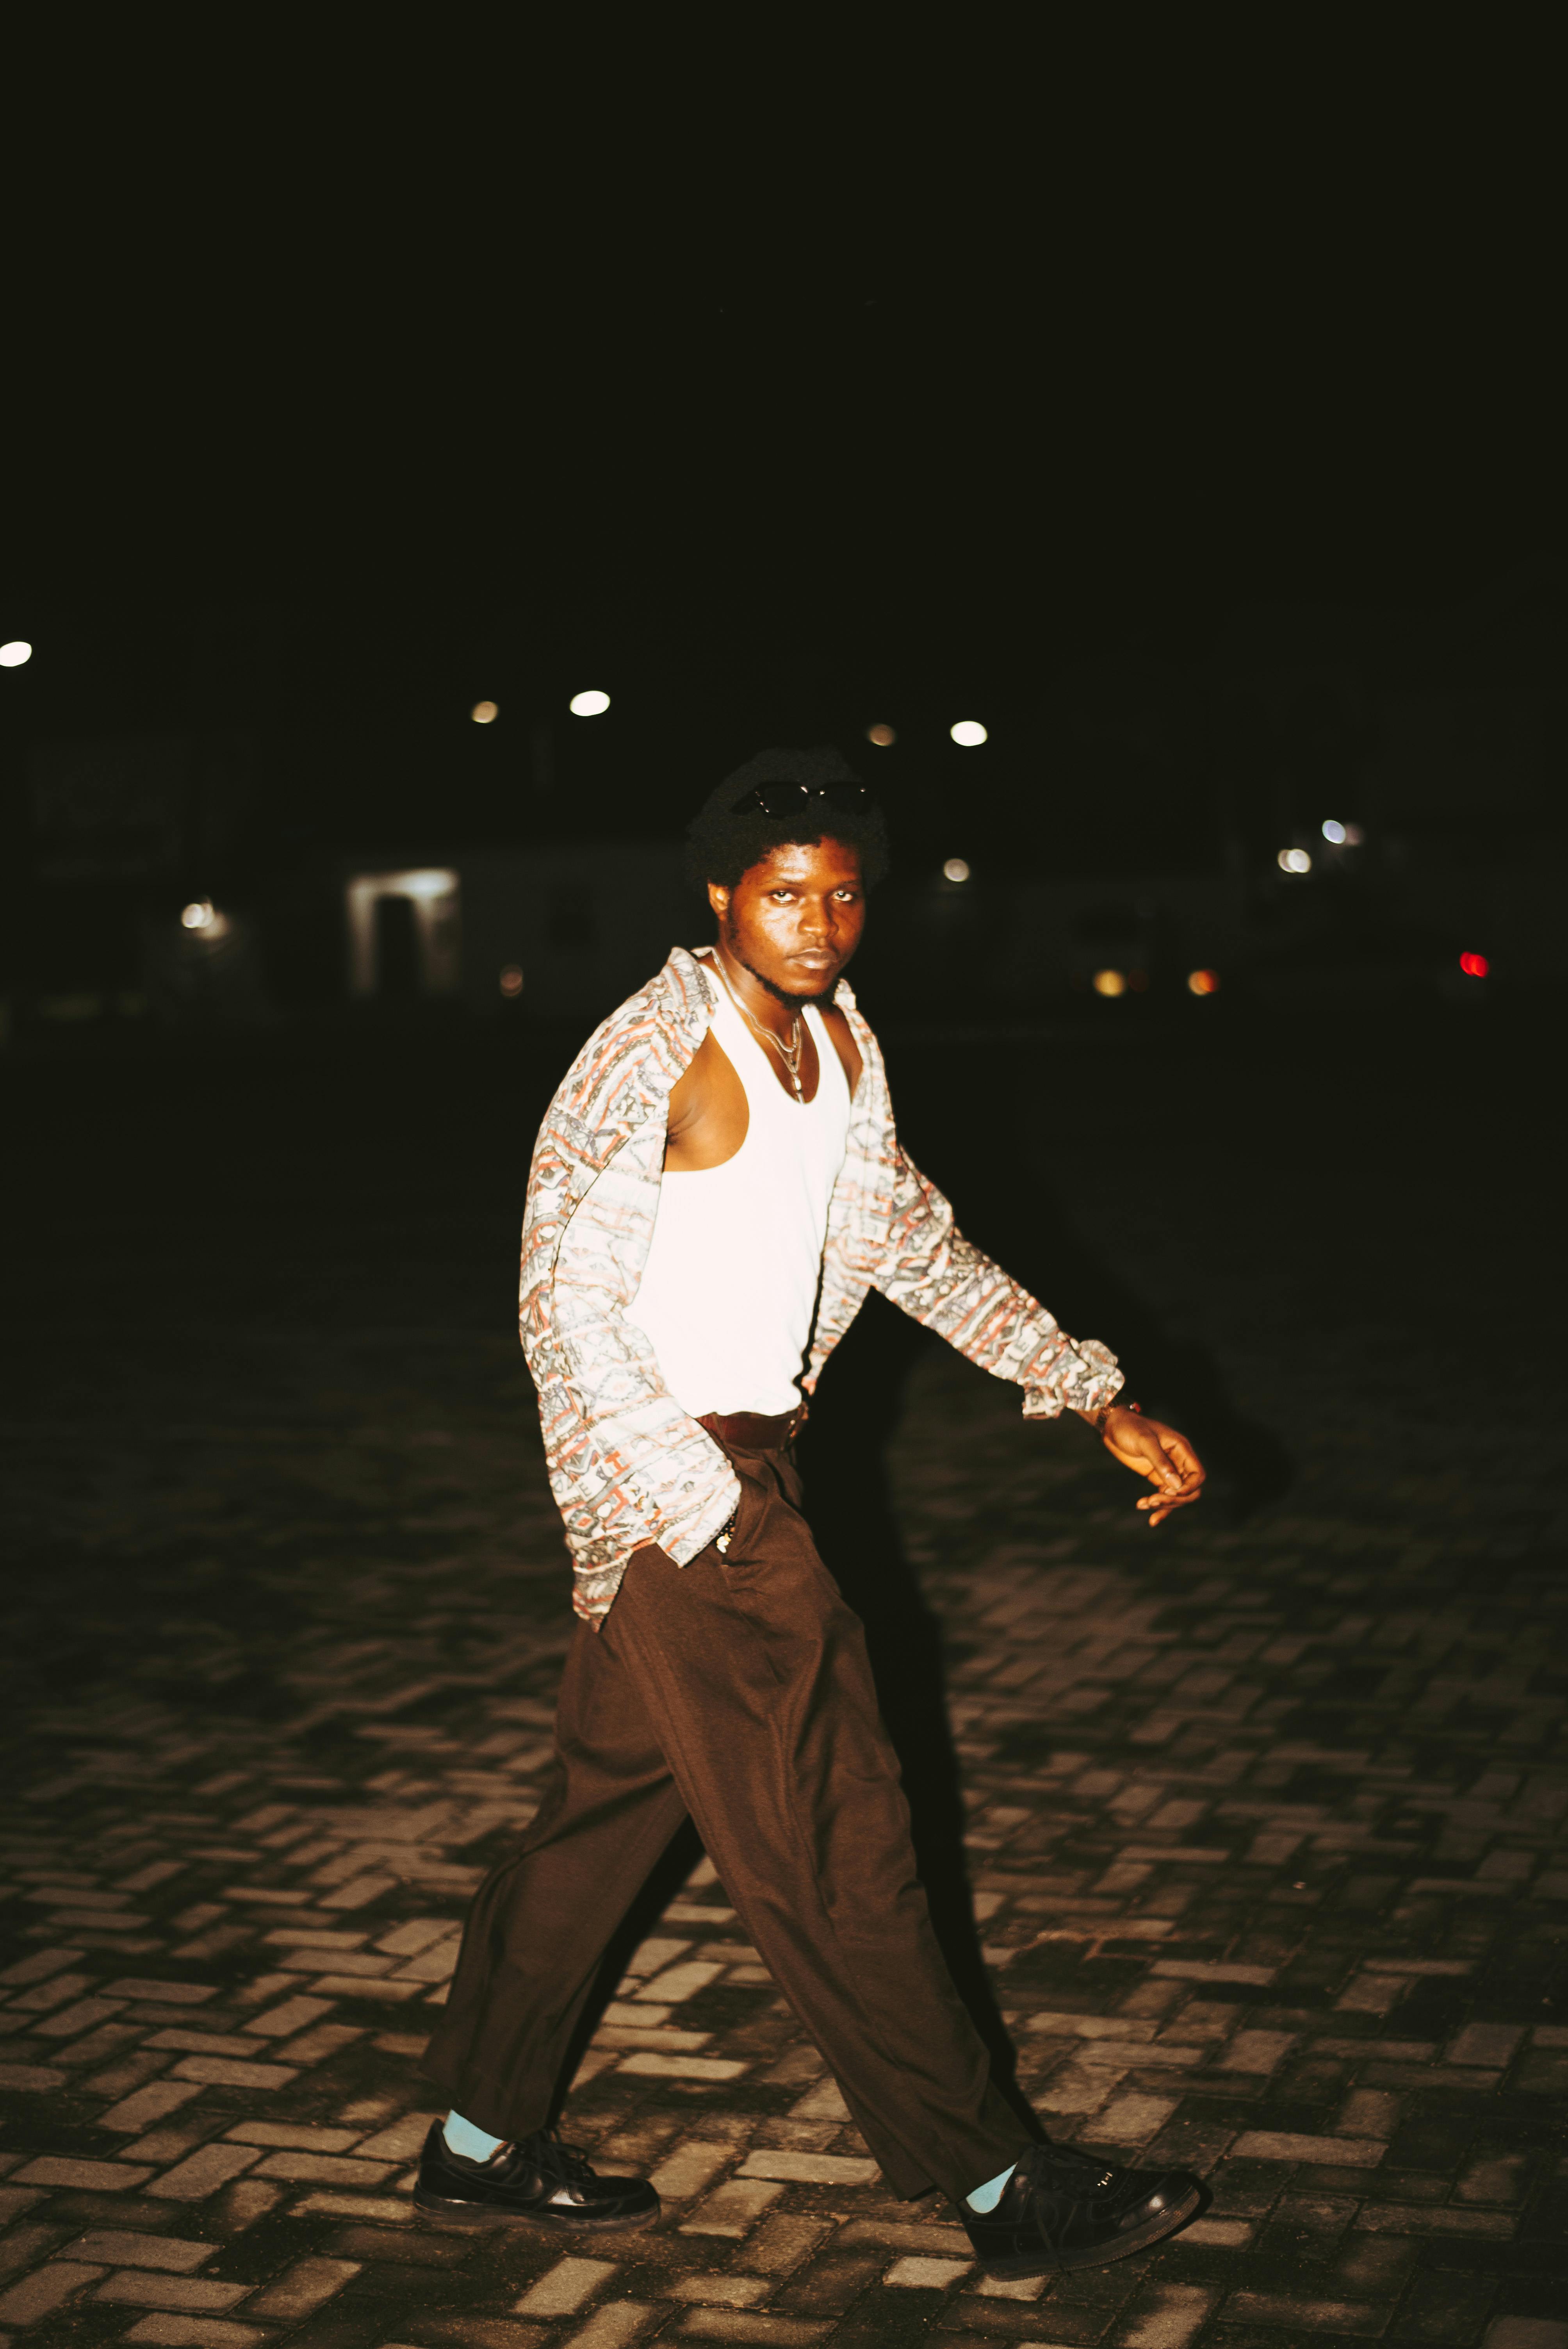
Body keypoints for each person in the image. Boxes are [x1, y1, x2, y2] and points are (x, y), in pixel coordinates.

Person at [415, 748, 1207, 2274]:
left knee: (597, 1820)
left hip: (751, 1459)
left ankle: (471, 2139)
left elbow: (912, 1241)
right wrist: (693, 1501)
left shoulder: (839, 1045)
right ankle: (993, 2183)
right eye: (786, 894)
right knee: (840, 1811)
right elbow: (558, 1299)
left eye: (844, 895)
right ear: (720, 896)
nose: (819, 921)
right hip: (683, 1481)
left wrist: (1090, 1389)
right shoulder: (655, 1047)